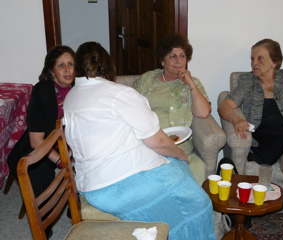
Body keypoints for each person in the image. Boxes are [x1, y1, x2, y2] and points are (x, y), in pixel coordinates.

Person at [63, 41, 215, 240]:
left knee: (179, 170)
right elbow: (159, 142)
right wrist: (181, 153)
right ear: (109, 66)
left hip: (91, 185)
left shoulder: (72, 95)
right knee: (198, 202)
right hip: (119, 186)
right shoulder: (119, 94)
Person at [218, 39, 283, 240]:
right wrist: (236, 118)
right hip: (267, 138)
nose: (254, 63)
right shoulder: (247, 82)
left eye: (260, 58)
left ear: (275, 61)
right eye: (252, 58)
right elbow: (224, 106)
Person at [7, 45, 75, 238]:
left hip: (68, 146)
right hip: (38, 147)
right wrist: (63, 162)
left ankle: (75, 207)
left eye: (70, 64)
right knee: (40, 175)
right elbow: (37, 141)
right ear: (51, 70)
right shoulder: (43, 91)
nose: (67, 70)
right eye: (61, 65)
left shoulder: (79, 88)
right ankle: (43, 227)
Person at [133, 33, 211, 185]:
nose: (179, 61)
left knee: (197, 167)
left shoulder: (192, 82)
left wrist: (191, 84)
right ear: (162, 61)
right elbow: (130, 108)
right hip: (150, 143)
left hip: (179, 144)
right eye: (172, 56)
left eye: (182, 56)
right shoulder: (147, 79)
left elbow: (203, 113)